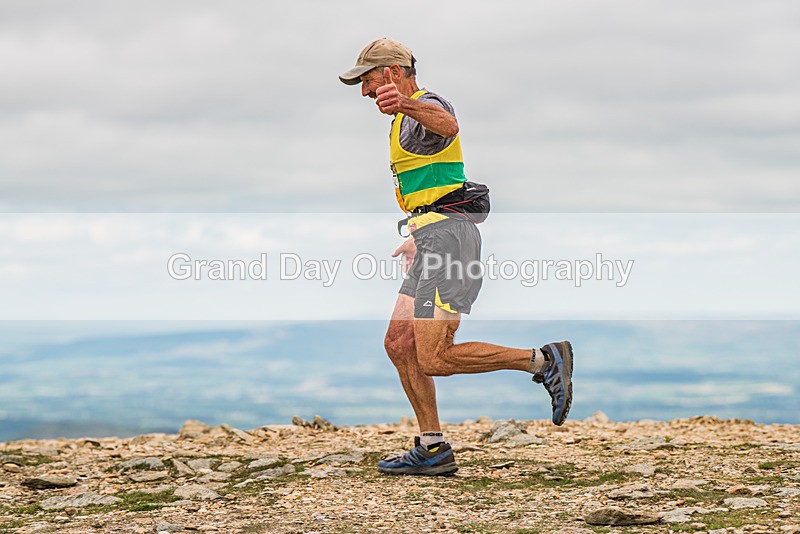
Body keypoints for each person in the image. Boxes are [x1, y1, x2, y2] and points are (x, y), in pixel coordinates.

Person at [339, 38, 573, 476]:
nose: (366, 91)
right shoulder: (401, 121)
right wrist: (419, 230)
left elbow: (448, 124)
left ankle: (543, 360)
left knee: (434, 357)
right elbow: (438, 187)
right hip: (434, 237)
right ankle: (432, 447)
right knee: (399, 343)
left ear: (392, 71)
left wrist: (406, 104)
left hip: (447, 245)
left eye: (368, 80)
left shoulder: (422, 106)